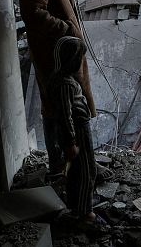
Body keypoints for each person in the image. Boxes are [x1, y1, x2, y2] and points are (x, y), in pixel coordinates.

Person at [1, 0, 98, 176]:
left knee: (64, 104)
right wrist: (67, 30)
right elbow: (35, 14)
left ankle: (81, 163)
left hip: (62, 47)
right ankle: (64, 166)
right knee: (59, 107)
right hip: (54, 51)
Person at [45, 37, 100, 224]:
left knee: (77, 170)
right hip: (78, 131)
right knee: (86, 170)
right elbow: (65, 116)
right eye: (78, 58)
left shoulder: (62, 79)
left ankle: (77, 205)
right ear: (70, 59)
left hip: (77, 130)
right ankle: (85, 212)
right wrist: (70, 142)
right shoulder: (65, 84)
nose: (79, 62)